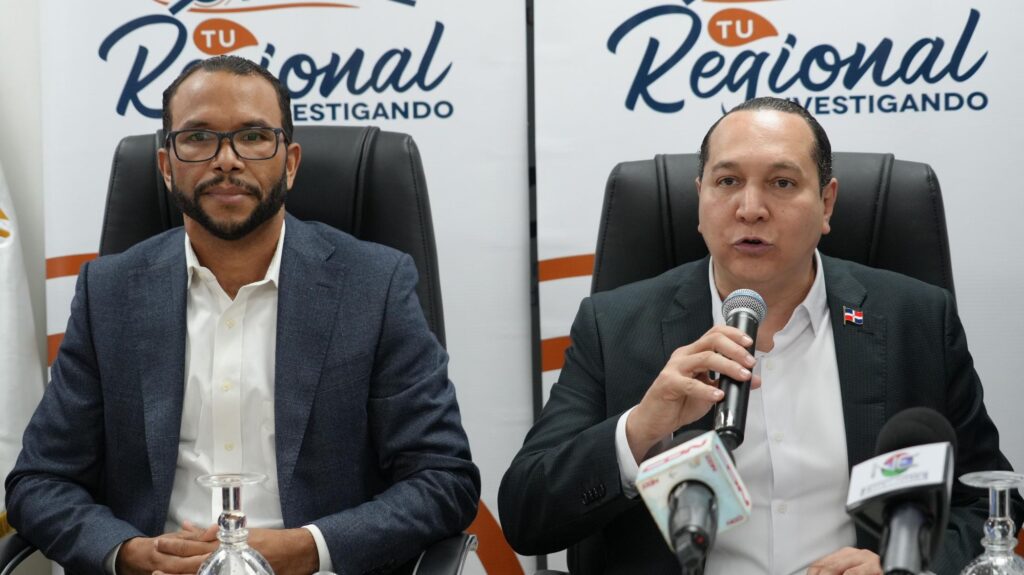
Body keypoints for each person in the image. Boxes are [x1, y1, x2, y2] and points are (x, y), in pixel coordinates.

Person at [499, 97, 1022, 575]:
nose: (750, 208)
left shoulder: (916, 319)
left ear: (827, 203)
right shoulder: (613, 326)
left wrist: (903, 567)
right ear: (699, 198)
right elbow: (526, 515)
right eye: (727, 182)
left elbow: (986, 498)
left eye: (782, 183)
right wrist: (639, 429)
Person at [6, 55, 479, 575]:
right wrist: (132, 553)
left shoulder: (375, 285)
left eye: (253, 137)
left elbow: (443, 479)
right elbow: (40, 482)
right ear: (166, 166)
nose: (227, 159)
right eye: (198, 138)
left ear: (290, 163)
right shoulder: (110, 292)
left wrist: (307, 548)